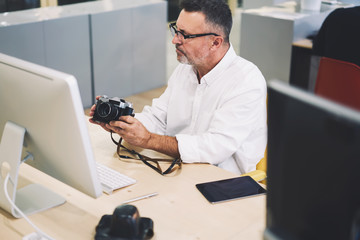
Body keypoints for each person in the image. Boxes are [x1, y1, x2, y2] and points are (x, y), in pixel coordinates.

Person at [89, 0, 267, 175]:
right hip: (180, 168)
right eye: (176, 30)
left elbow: (215, 147)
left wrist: (148, 139)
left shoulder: (246, 81)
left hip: (224, 182)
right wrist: (123, 123)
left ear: (215, 42)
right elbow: (159, 118)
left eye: (185, 35)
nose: (175, 40)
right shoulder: (186, 69)